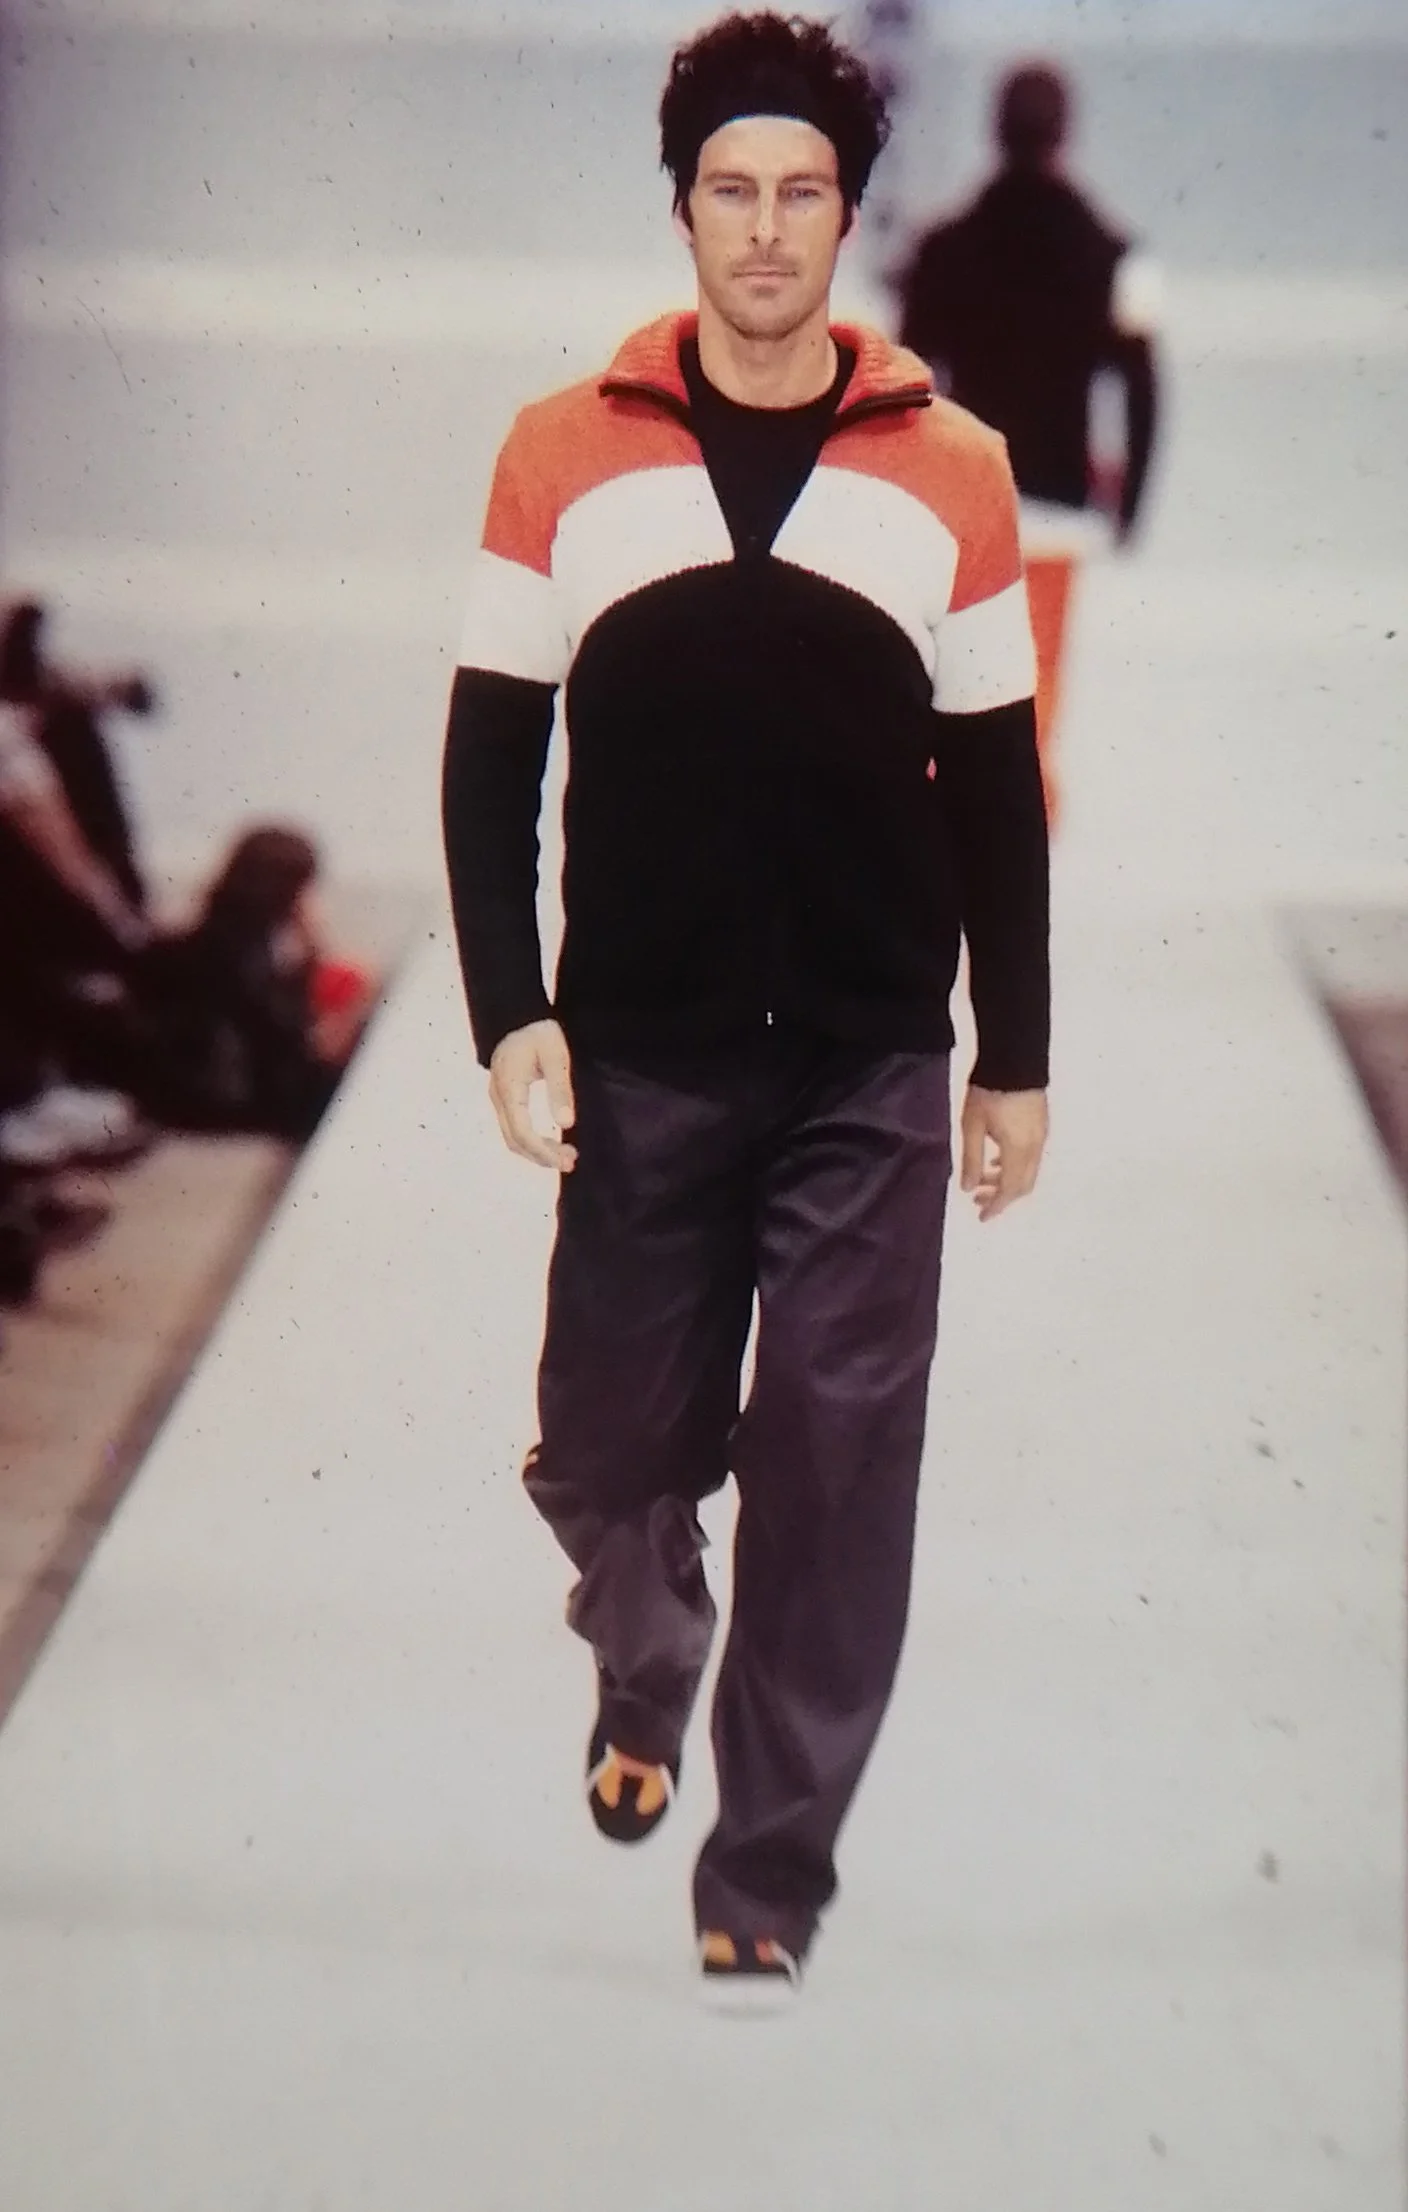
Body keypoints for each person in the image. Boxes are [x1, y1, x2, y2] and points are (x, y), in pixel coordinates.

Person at [441, 8, 1050, 2010]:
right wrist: (509, 1010)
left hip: (869, 1058)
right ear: (682, 206)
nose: (766, 227)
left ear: (850, 215)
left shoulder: (951, 468)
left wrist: (1015, 1055)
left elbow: (995, 789)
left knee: (837, 1462)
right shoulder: (561, 449)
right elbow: (488, 757)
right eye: (731, 189)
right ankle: (644, 1651)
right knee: (602, 1442)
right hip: (640, 1047)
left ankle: (767, 1866)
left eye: (801, 191)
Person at [894, 62, 1162, 830]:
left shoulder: (942, 247)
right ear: (1064, 133)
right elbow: (1142, 389)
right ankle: (1017, 861)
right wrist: (1130, 504)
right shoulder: (1110, 251)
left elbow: (908, 379)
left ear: (996, 130)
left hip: (966, 504)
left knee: (962, 690)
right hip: (1058, 506)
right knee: (1033, 704)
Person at [133, 825, 373, 1142]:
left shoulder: (194, 940)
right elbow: (298, 1044)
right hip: (234, 1102)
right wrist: (315, 948)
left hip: (181, 1095)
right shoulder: (255, 955)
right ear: (292, 890)